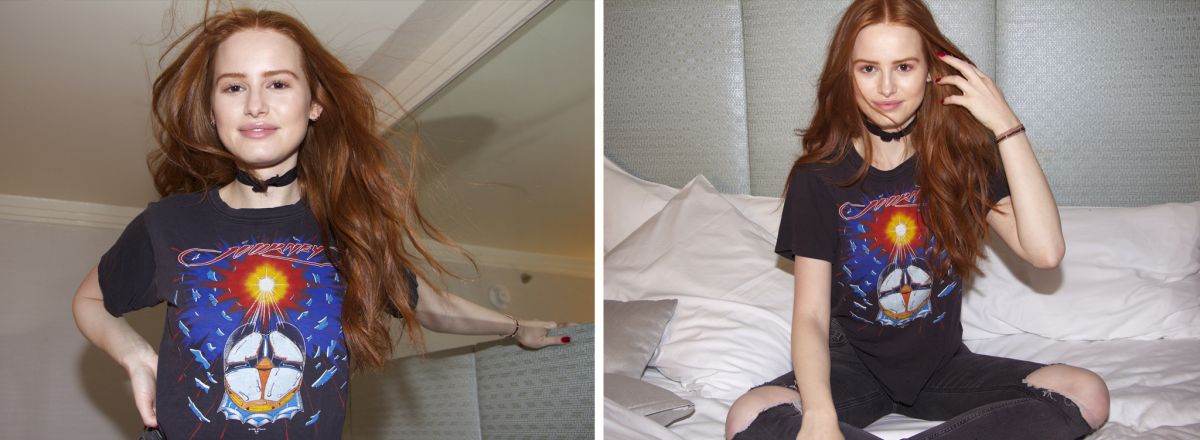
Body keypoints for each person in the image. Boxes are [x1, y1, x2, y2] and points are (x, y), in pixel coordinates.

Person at [70, 7, 569, 439]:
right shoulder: (167, 224)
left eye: (278, 83)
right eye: (234, 86)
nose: (255, 104)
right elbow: (89, 301)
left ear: (314, 104)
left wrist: (516, 326)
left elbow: (427, 304)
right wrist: (133, 354)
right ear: (213, 110)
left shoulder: (348, 230)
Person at [723, 1, 1108, 439]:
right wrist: (819, 412)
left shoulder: (961, 161)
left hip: (943, 369)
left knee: (1086, 393)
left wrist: (1005, 124)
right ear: (847, 74)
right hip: (851, 370)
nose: (886, 87)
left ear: (929, 71)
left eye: (904, 66)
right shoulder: (820, 177)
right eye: (868, 68)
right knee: (747, 415)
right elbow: (810, 315)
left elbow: (1045, 252)